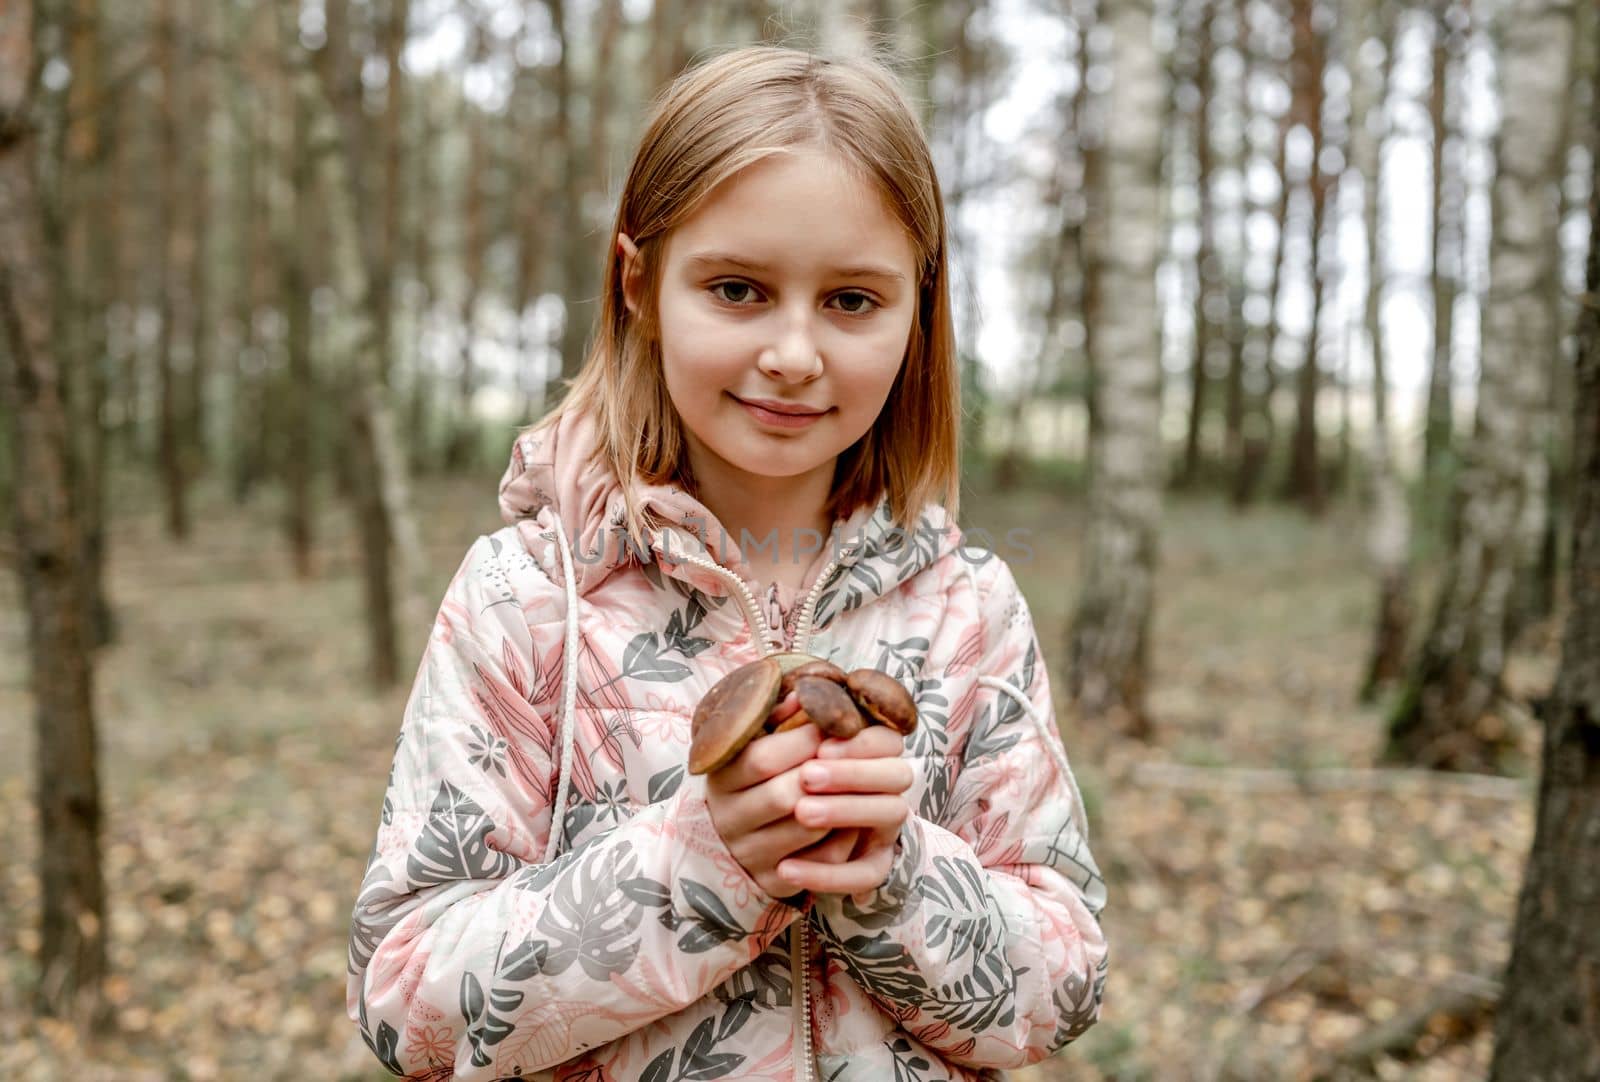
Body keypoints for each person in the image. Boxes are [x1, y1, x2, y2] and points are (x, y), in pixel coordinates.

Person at [346, 43, 1108, 1082]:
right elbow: (406, 998)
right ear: (639, 282)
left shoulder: (969, 608)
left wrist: (893, 874)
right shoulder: (526, 599)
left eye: (851, 300)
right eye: (739, 288)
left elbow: (1058, 993)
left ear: (917, 312)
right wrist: (703, 860)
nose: (794, 352)